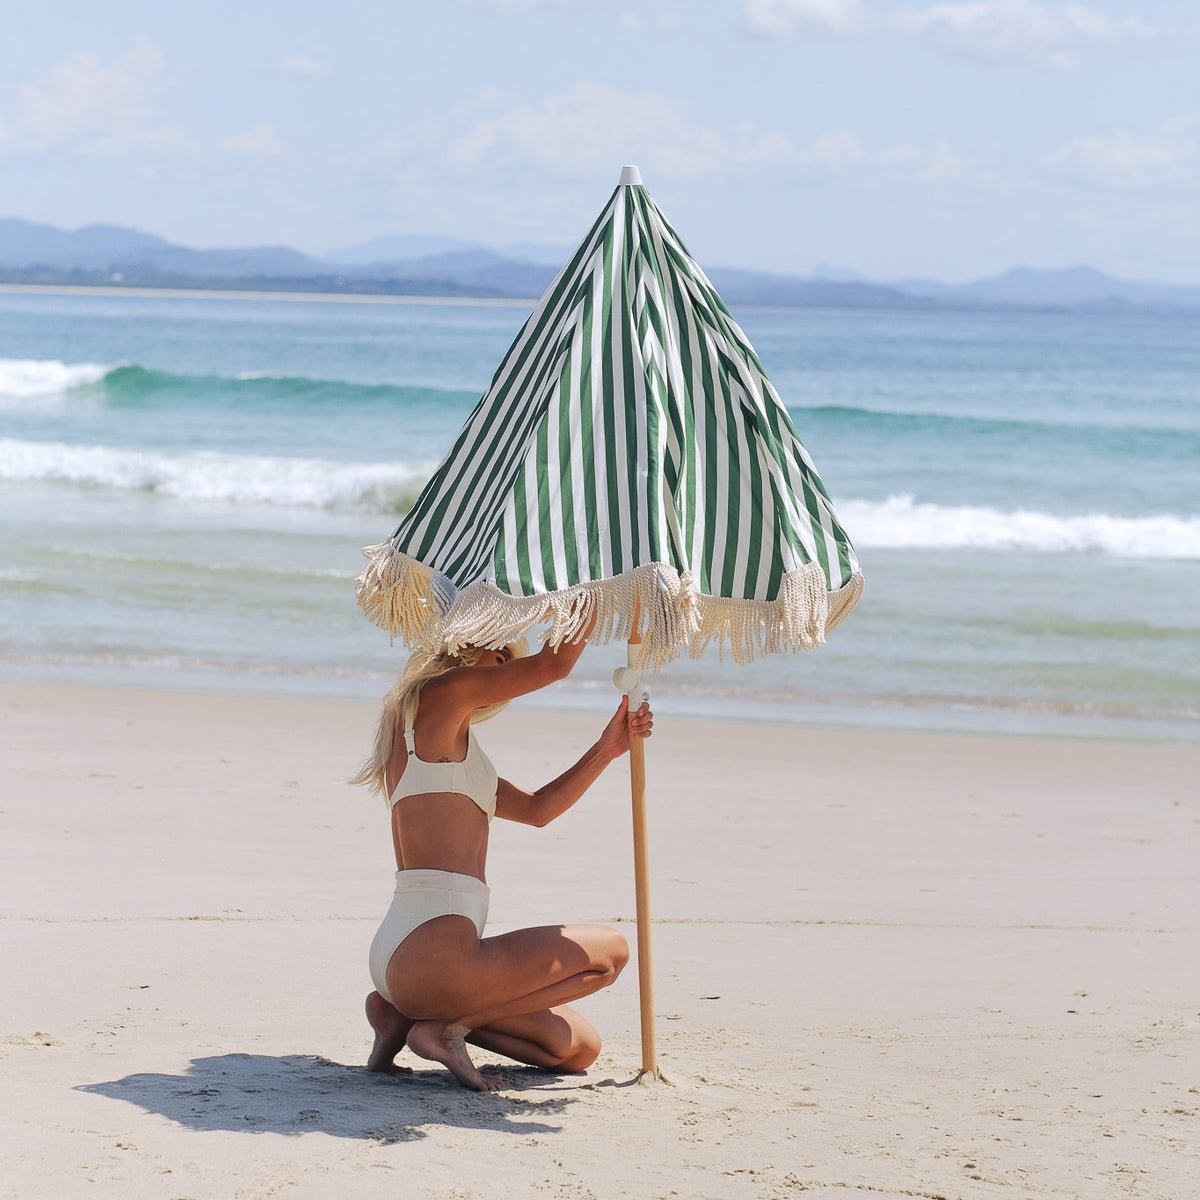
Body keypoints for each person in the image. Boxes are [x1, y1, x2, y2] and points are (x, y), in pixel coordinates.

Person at [351, 623, 653, 1091]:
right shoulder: (437, 696)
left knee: (577, 1050)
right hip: (434, 952)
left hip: (415, 959)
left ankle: (399, 1015)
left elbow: (537, 810)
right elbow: (554, 665)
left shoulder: (455, 747)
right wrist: (590, 596)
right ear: (468, 649)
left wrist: (607, 749)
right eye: (502, 657)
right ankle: (444, 1030)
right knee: (610, 954)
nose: (509, 672)